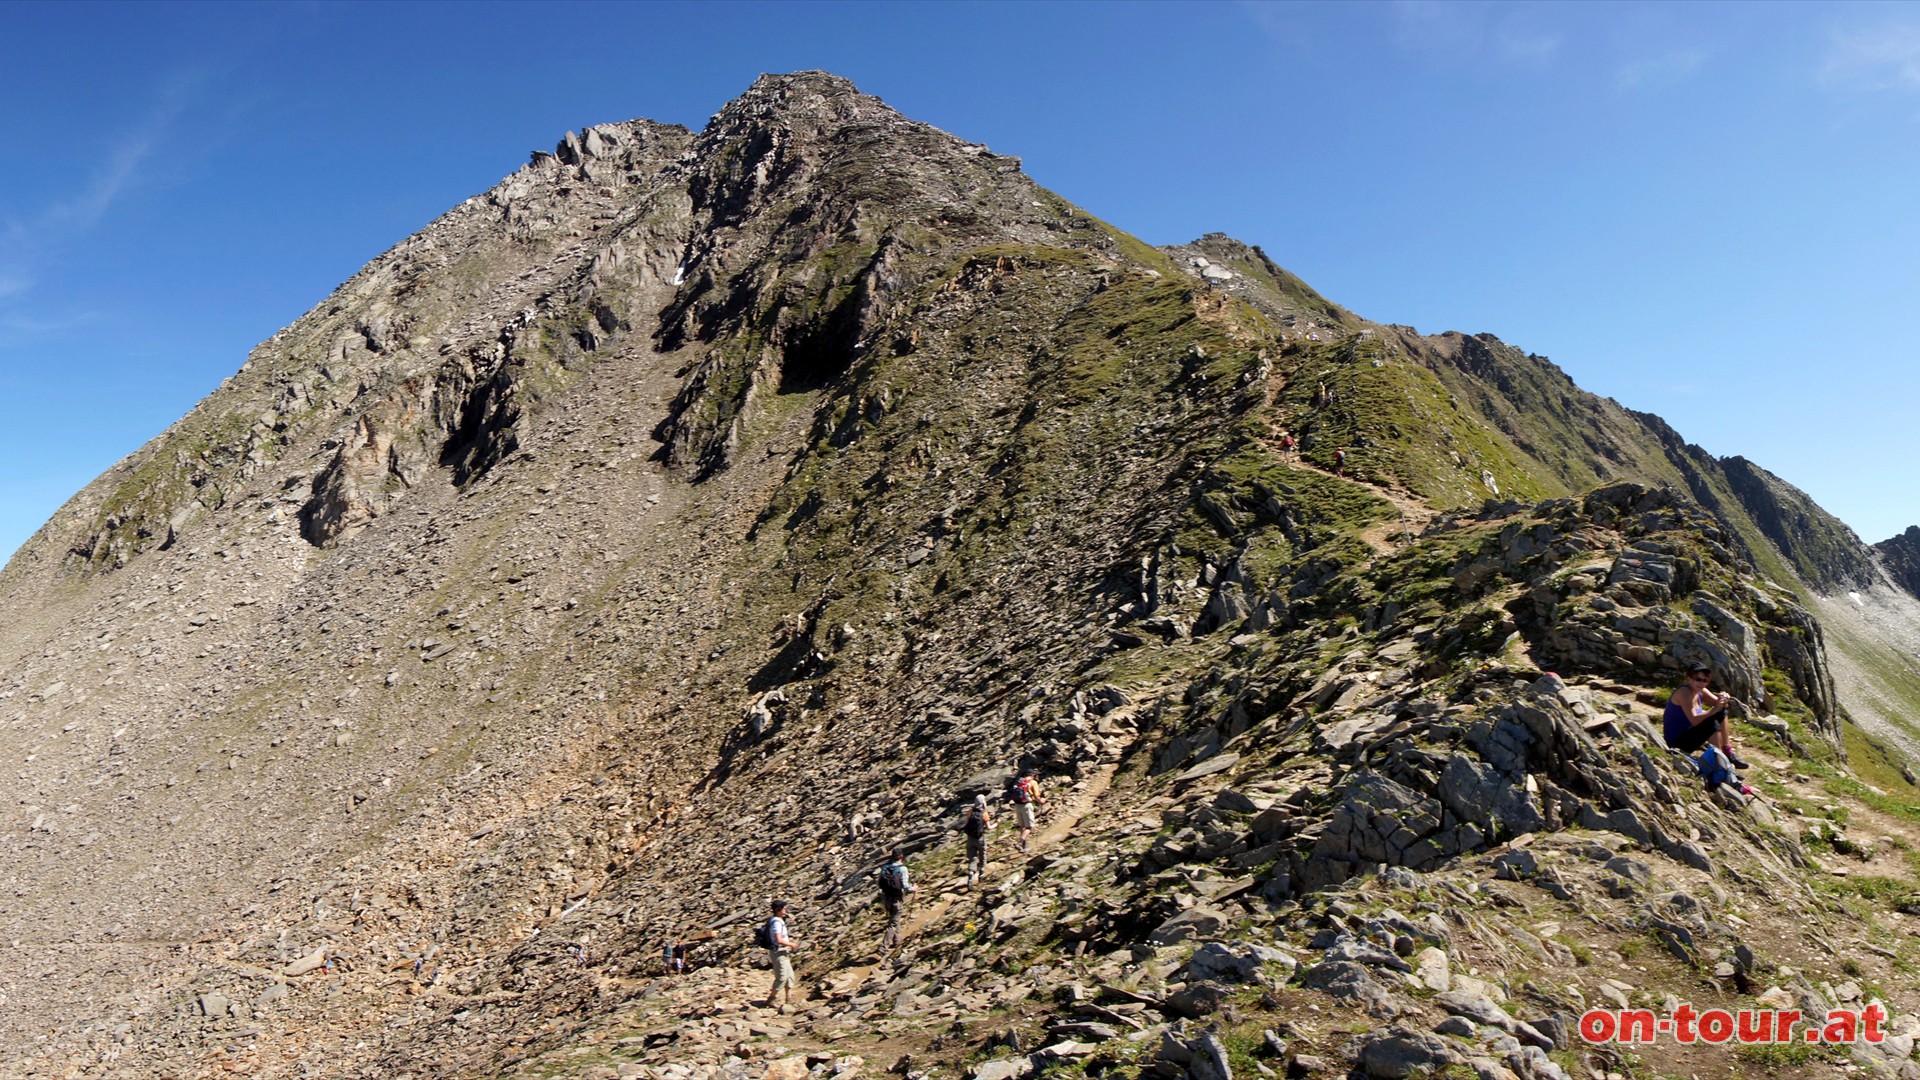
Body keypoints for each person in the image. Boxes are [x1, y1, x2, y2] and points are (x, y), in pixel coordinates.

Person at [1664, 663, 1750, 769]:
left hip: (1689, 734)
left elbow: (1721, 706)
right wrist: (1715, 709)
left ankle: (1727, 751)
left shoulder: (1701, 690)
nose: (1701, 683)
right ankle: (1721, 764)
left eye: (1705, 680)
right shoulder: (1684, 693)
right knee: (1711, 724)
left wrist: (1724, 699)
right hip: (1676, 742)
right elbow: (1694, 719)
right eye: (1698, 679)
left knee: (1721, 712)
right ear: (1689, 679)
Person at [877, 849, 915, 950]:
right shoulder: (903, 869)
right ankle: (883, 947)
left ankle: (897, 941)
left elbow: (879, 883)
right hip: (897, 899)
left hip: (886, 898)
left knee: (894, 919)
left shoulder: (885, 867)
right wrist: (913, 888)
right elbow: (906, 886)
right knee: (893, 923)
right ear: (901, 856)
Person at [764, 899, 796, 1011]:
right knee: (782, 976)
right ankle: (771, 998)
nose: (786, 910)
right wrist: (792, 944)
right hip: (778, 952)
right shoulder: (777, 922)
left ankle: (789, 997)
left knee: (789, 975)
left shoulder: (777, 920)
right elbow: (779, 939)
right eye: (784, 908)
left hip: (782, 952)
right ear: (778, 910)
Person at [1011, 770, 1045, 853]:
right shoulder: (1033, 782)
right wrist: (1041, 801)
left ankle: (1024, 847)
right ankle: (1020, 843)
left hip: (1017, 805)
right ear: (1032, 775)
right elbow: (1037, 796)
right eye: (1034, 775)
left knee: (1023, 826)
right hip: (1027, 805)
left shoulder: (1019, 781)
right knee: (1029, 826)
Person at [960, 794, 991, 886]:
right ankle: (981, 872)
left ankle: (970, 875)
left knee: (972, 858)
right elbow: (989, 827)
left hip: (970, 838)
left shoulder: (970, 811)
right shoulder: (984, 813)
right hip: (980, 838)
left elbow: (967, 822)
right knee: (982, 854)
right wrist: (997, 823)